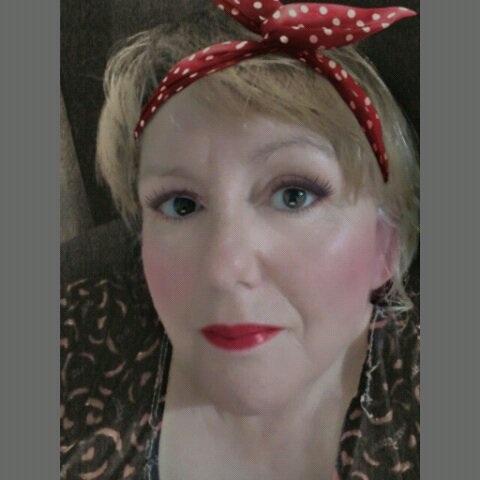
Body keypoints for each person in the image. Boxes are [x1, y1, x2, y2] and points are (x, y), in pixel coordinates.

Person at [61, 1, 419, 479]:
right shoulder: (68, 336)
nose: (223, 268)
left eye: (294, 196)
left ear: (386, 242)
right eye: (181, 204)